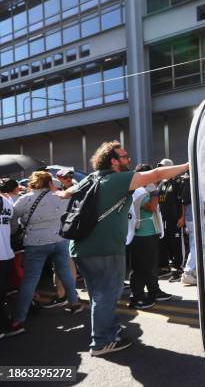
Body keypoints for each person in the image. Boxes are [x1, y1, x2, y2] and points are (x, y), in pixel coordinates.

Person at [58, 140, 189, 356]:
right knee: (107, 295)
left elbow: (71, 191)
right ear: (114, 161)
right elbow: (156, 174)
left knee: (97, 295)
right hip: (105, 248)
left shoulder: (93, 177)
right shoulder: (118, 179)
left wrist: (62, 193)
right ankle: (101, 342)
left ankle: (107, 330)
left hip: (81, 247)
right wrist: (187, 166)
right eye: (125, 157)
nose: (129, 160)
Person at [10, 171, 82, 335]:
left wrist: (15, 230)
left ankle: (19, 319)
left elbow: (14, 218)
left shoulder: (25, 198)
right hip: (59, 239)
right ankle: (74, 303)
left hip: (35, 241)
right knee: (65, 272)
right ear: (50, 183)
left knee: (30, 280)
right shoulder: (59, 196)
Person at [128, 164, 173, 309]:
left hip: (151, 232)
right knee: (141, 267)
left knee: (151, 266)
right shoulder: (137, 191)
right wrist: (154, 193)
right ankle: (137, 297)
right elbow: (152, 207)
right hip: (141, 234)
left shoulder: (144, 189)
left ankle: (154, 291)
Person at [51, 169, 78, 307]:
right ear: (59, 178)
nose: (69, 178)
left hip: (68, 230)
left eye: (70, 176)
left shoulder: (76, 188)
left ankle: (65, 294)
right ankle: (65, 293)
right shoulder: (58, 190)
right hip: (61, 230)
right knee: (61, 265)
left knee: (66, 263)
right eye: (65, 177)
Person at [157, 158, 185, 279]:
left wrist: (183, 217)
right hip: (164, 220)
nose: (161, 169)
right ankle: (167, 267)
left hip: (176, 219)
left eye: (163, 167)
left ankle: (179, 267)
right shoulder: (162, 184)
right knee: (166, 242)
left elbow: (182, 201)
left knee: (177, 243)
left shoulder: (178, 182)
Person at [0, 179, 17, 338]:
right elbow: (13, 227)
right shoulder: (7, 202)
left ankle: (5, 326)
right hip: (5, 253)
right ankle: (6, 325)